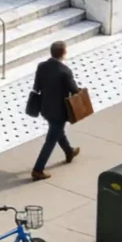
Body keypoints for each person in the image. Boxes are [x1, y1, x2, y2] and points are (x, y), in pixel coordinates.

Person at [30, 41, 80, 180]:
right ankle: (38, 169)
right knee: (51, 140)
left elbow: (37, 86)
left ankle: (69, 151)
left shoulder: (41, 66)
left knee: (57, 131)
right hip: (59, 111)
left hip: (45, 107)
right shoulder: (65, 71)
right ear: (63, 53)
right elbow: (74, 90)